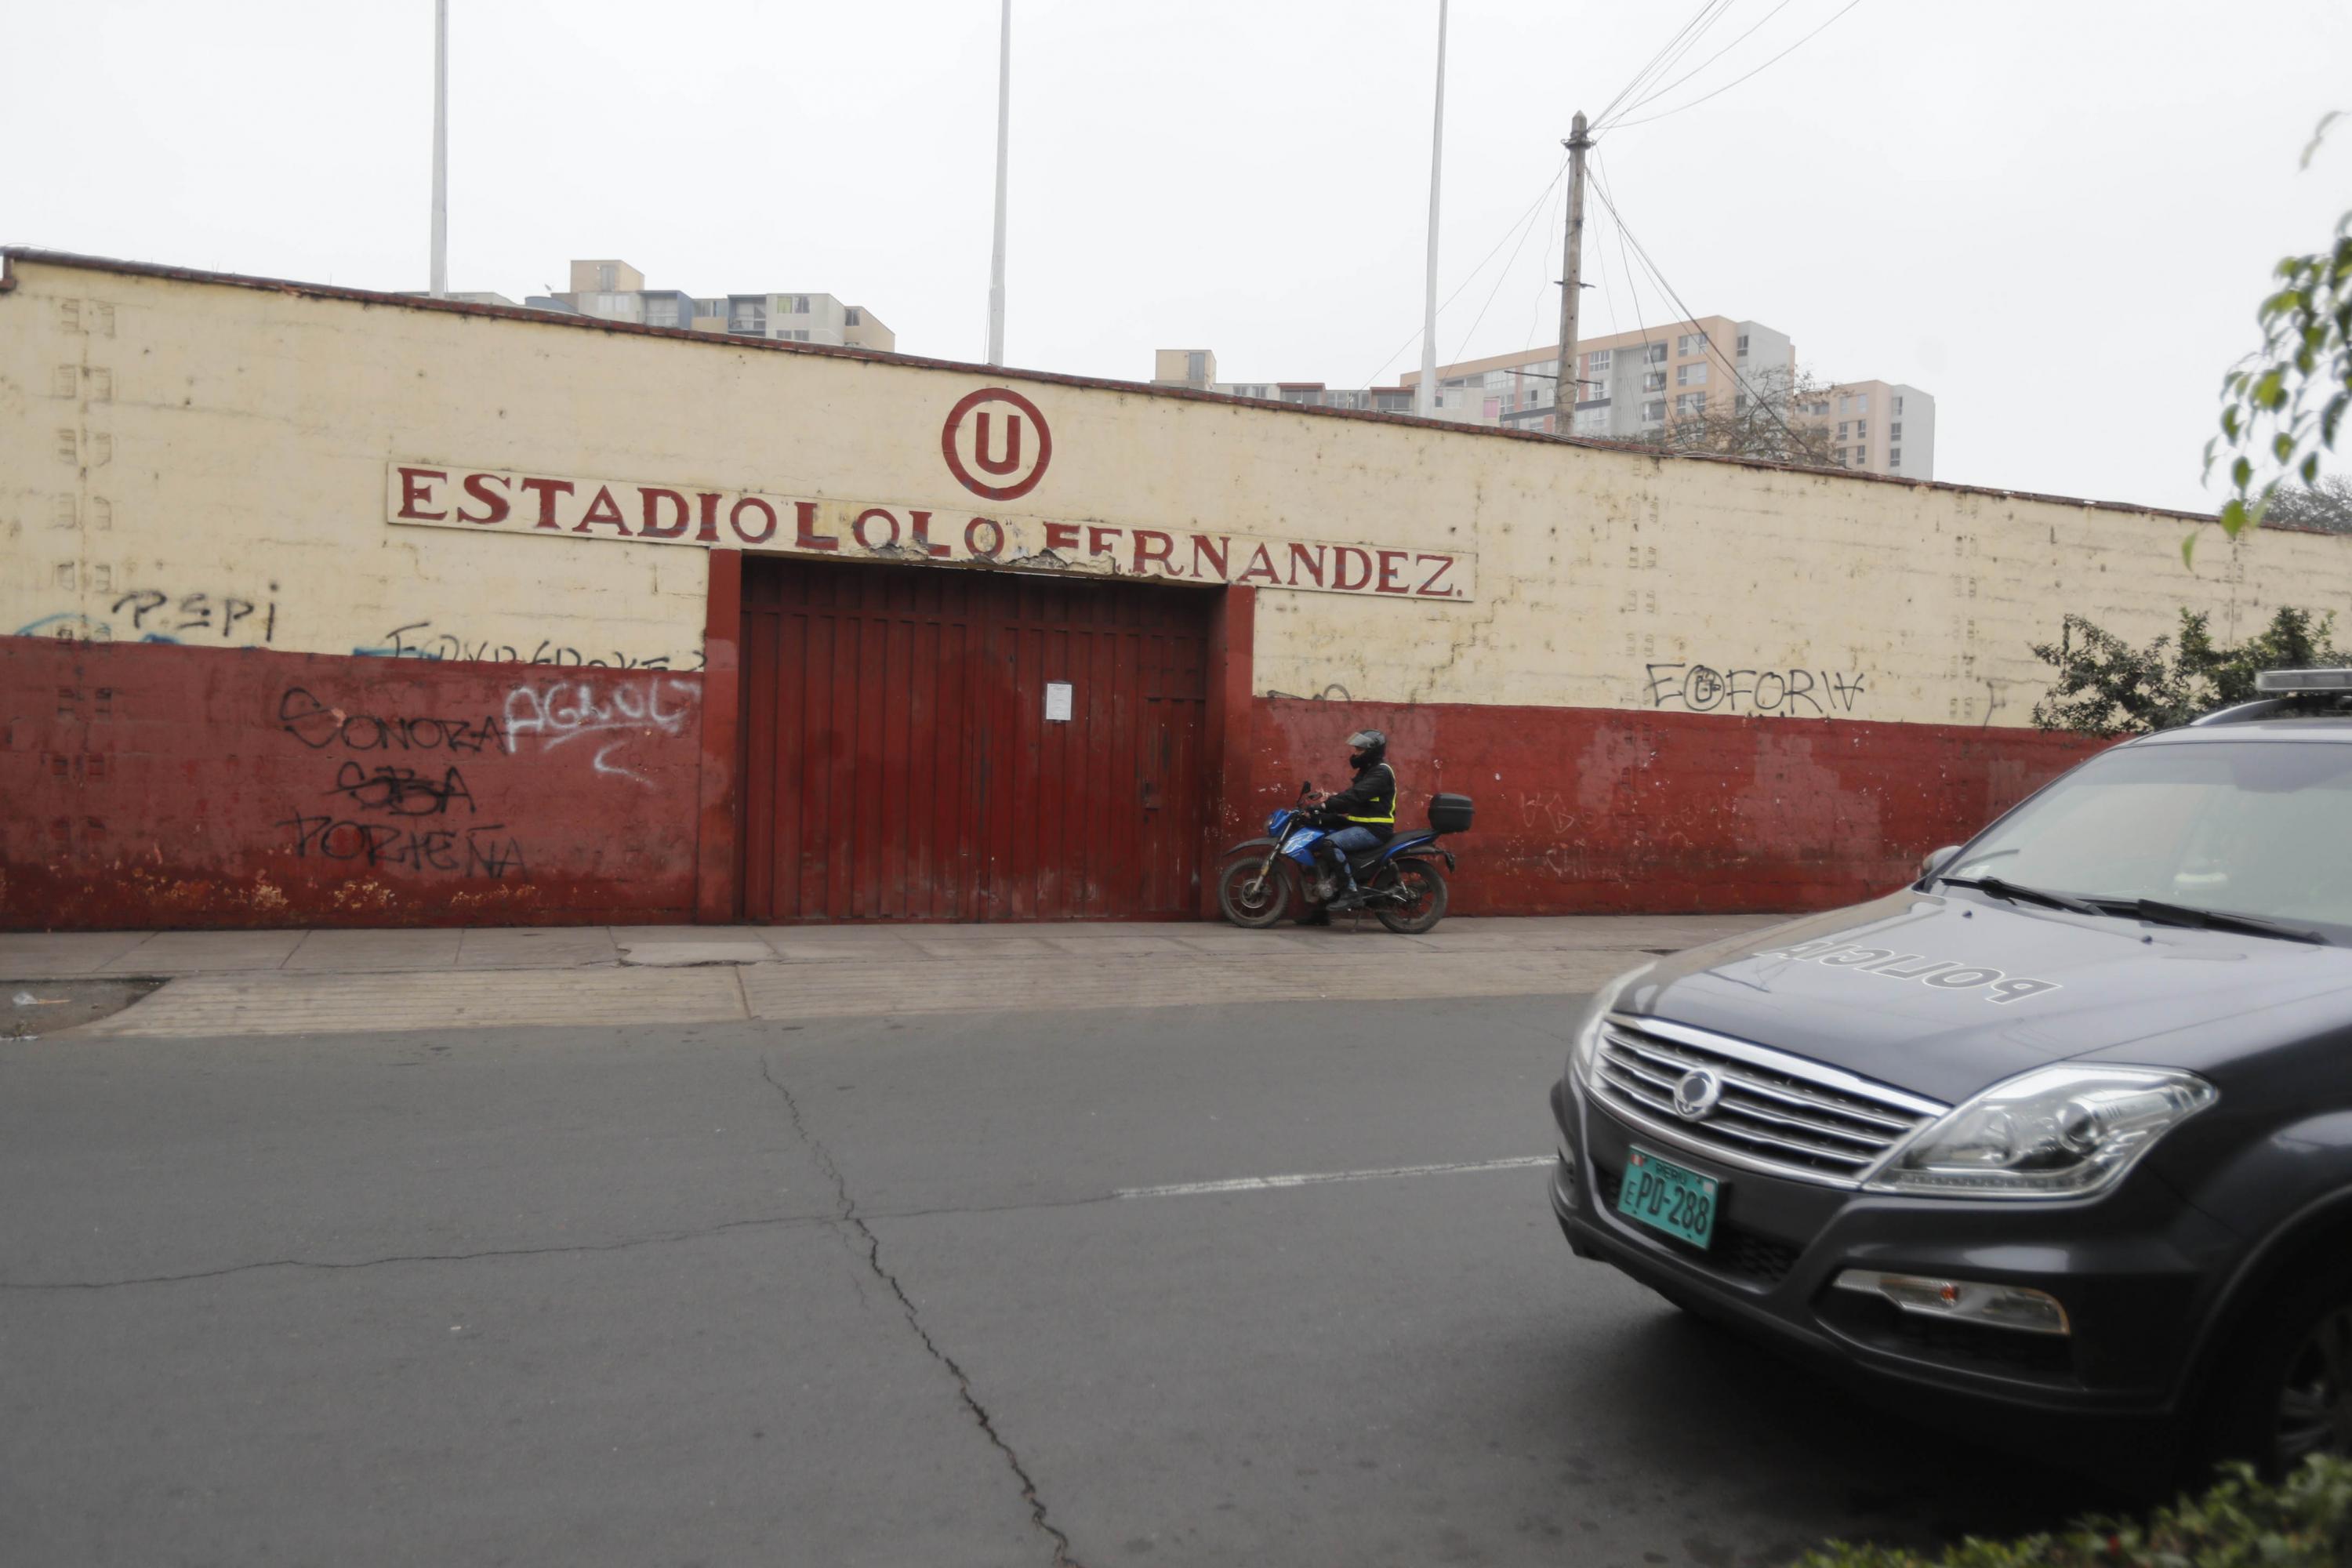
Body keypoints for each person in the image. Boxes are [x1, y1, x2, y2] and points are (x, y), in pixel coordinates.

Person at [1304, 728, 1398, 913]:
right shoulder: (1368, 771)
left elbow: (1355, 796)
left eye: (1359, 750)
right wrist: (1320, 813)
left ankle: (1351, 892)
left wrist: (1325, 806)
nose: (1355, 754)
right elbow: (1350, 801)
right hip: (1359, 824)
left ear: (1372, 750)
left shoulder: (1381, 773)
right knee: (1320, 832)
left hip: (1375, 829)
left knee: (1330, 844)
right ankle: (1320, 912)